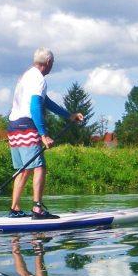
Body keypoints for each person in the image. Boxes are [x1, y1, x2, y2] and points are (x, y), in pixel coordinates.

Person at [7, 48, 83, 219]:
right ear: (48, 63)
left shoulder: (27, 75)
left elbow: (45, 102)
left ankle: (15, 209)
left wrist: (68, 115)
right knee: (39, 167)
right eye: (52, 63)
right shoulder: (39, 79)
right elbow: (35, 106)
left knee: (24, 168)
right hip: (27, 125)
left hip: (13, 125)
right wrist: (43, 134)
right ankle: (37, 209)